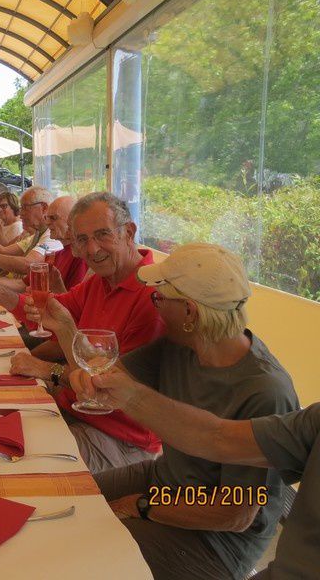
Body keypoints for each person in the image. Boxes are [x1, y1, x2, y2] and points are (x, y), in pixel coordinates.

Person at [66, 243, 300, 580]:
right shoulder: (179, 346)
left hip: (215, 543)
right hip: (166, 480)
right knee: (66, 498)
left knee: (83, 549)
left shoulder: (264, 392)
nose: (155, 307)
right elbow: (111, 381)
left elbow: (234, 514)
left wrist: (142, 506)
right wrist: (88, 380)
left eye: (159, 298)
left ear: (190, 311)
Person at [0, 191, 166, 472]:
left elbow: (103, 391)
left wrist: (49, 364)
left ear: (129, 231)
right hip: (72, 410)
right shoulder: (101, 281)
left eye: (102, 234)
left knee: (8, 465)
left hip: (120, 439)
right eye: (82, 240)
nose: (92, 250)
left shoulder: (153, 297)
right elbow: (48, 310)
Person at [0, 196, 87, 295]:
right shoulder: (57, 254)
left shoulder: (80, 258)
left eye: (53, 218)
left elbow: (73, 307)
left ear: (72, 221)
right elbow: (23, 284)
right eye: (47, 218)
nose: (48, 222)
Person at [0, 186, 61, 276]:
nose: (21, 213)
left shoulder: (52, 236)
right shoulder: (36, 234)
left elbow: (27, 265)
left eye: (25, 208)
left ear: (43, 208)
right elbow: (6, 252)